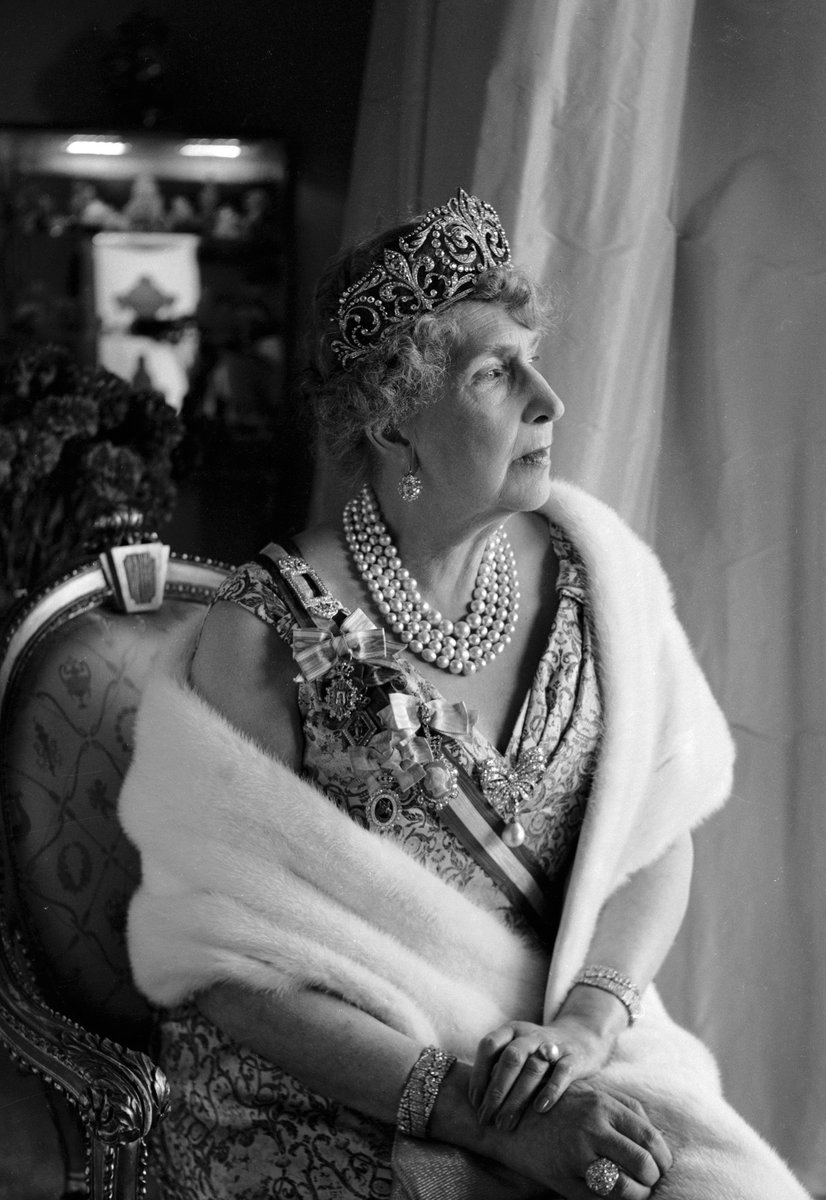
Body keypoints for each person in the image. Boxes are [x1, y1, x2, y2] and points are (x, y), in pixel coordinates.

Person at [120, 189, 811, 1200]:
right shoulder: (261, 633)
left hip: (562, 1050)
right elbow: (231, 971)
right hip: (337, 1096)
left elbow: (655, 842)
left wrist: (584, 1025)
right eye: (497, 372)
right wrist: (484, 1118)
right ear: (395, 427)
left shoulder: (595, 573)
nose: (548, 400)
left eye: (532, 357)